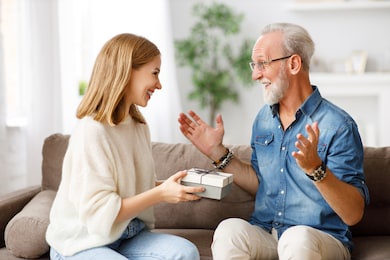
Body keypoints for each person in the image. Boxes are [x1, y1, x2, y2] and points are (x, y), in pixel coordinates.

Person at [178, 23, 370, 260]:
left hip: (320, 239)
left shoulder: (338, 125)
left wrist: (316, 169)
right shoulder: (264, 119)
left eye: (263, 63)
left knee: (296, 238)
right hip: (268, 234)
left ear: (293, 64)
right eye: (254, 65)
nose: (255, 74)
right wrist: (216, 152)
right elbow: (263, 184)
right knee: (229, 230)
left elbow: (353, 213)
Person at [46, 33, 204, 260]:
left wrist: (172, 186)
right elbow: (101, 211)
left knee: (185, 253)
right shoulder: (93, 130)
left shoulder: (138, 125)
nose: (159, 85)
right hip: (82, 241)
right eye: (155, 73)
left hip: (126, 235)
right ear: (127, 71)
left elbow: (130, 188)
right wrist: (160, 193)